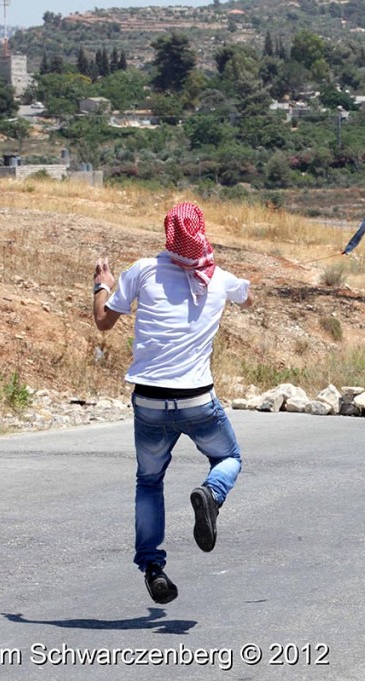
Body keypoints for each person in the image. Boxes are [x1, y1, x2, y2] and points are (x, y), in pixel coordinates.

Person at [93, 202, 254, 604]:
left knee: (149, 481)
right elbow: (248, 300)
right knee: (228, 459)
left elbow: (102, 321)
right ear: (202, 232)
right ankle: (211, 495)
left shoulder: (143, 270)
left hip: (148, 400)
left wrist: (102, 284)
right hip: (197, 399)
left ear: (168, 234)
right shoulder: (218, 278)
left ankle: (152, 565)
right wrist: (236, 284)